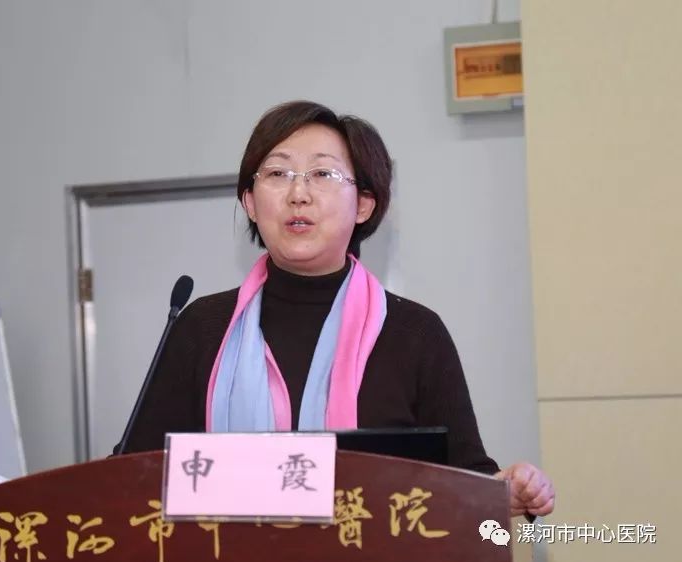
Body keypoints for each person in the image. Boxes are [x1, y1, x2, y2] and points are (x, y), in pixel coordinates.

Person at [120, 100, 555, 518]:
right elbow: (135, 474)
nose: (298, 194)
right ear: (250, 202)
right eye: (277, 173)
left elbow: (466, 479)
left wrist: (505, 489)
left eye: (322, 174)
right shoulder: (202, 327)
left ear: (364, 203)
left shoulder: (414, 333)